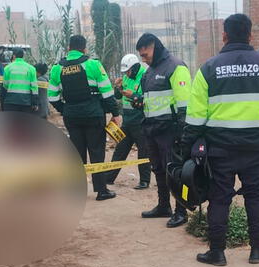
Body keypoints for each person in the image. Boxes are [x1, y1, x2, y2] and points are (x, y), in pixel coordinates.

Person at [181, 14, 259, 266]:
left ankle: (217, 253)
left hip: (220, 149)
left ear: (224, 35)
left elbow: (196, 117)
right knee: (256, 197)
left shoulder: (208, 69)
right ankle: (257, 251)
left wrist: (188, 147)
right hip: (258, 147)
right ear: (250, 35)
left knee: (219, 198)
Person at [48, 35, 121, 201]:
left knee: (77, 154)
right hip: (93, 115)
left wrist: (65, 109)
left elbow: (52, 97)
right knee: (96, 152)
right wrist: (115, 113)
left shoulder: (57, 68)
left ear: (69, 48)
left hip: (72, 117)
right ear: (84, 48)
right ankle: (101, 191)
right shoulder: (93, 64)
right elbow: (107, 93)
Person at [136, 33, 191, 227]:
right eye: (141, 55)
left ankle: (181, 211)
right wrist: (139, 102)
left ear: (155, 47)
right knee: (158, 169)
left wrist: (183, 131)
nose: (144, 58)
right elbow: (150, 98)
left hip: (170, 129)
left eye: (146, 53)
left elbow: (184, 103)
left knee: (174, 170)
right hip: (152, 128)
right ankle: (163, 205)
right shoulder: (149, 71)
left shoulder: (176, 67)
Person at [106, 54, 151, 190]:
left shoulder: (145, 76)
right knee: (120, 149)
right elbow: (119, 96)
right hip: (127, 121)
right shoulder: (126, 77)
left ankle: (144, 181)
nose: (126, 74)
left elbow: (147, 98)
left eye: (128, 71)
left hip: (141, 120)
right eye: (125, 72)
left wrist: (134, 95)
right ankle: (109, 177)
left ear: (135, 67)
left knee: (143, 152)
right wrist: (118, 87)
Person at [1, 48, 38, 113]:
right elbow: (34, 88)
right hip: (26, 101)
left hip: (11, 100)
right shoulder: (31, 69)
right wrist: (35, 102)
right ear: (23, 56)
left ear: (14, 56)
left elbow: (5, 85)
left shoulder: (7, 68)